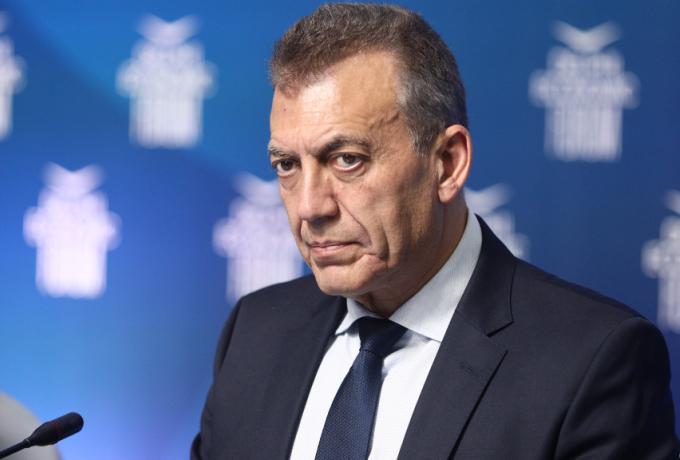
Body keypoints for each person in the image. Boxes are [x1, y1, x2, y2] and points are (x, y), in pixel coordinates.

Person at [192, 4, 678, 459]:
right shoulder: (255, 331)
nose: (308, 207)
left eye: (347, 160)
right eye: (286, 165)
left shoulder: (592, 361)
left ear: (447, 163)